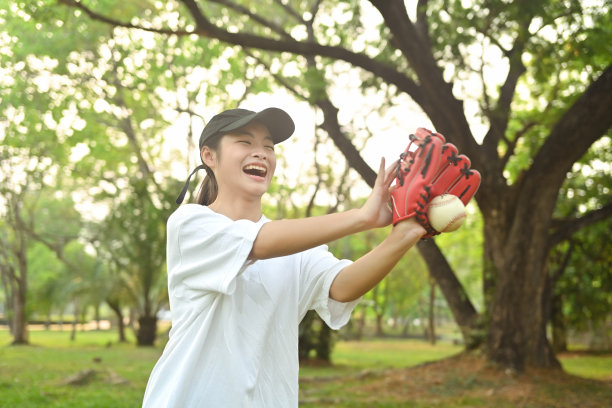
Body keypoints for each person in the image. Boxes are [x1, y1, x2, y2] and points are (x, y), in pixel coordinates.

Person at [142, 107, 425, 407]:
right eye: (245, 142)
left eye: (268, 146)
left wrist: (404, 235)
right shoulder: (190, 224)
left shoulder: (292, 243)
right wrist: (362, 217)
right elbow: (258, 244)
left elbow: (342, 287)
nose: (261, 153)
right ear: (209, 156)